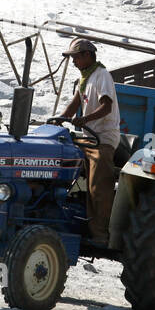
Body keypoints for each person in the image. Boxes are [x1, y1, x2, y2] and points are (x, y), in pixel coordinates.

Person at [55, 38, 120, 245]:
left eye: (75, 57)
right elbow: (73, 106)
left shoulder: (102, 76)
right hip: (87, 137)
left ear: (87, 56)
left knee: (97, 185)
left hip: (102, 139)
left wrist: (84, 119)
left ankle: (100, 233)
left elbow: (106, 107)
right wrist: (57, 121)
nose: (73, 61)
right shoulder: (85, 78)